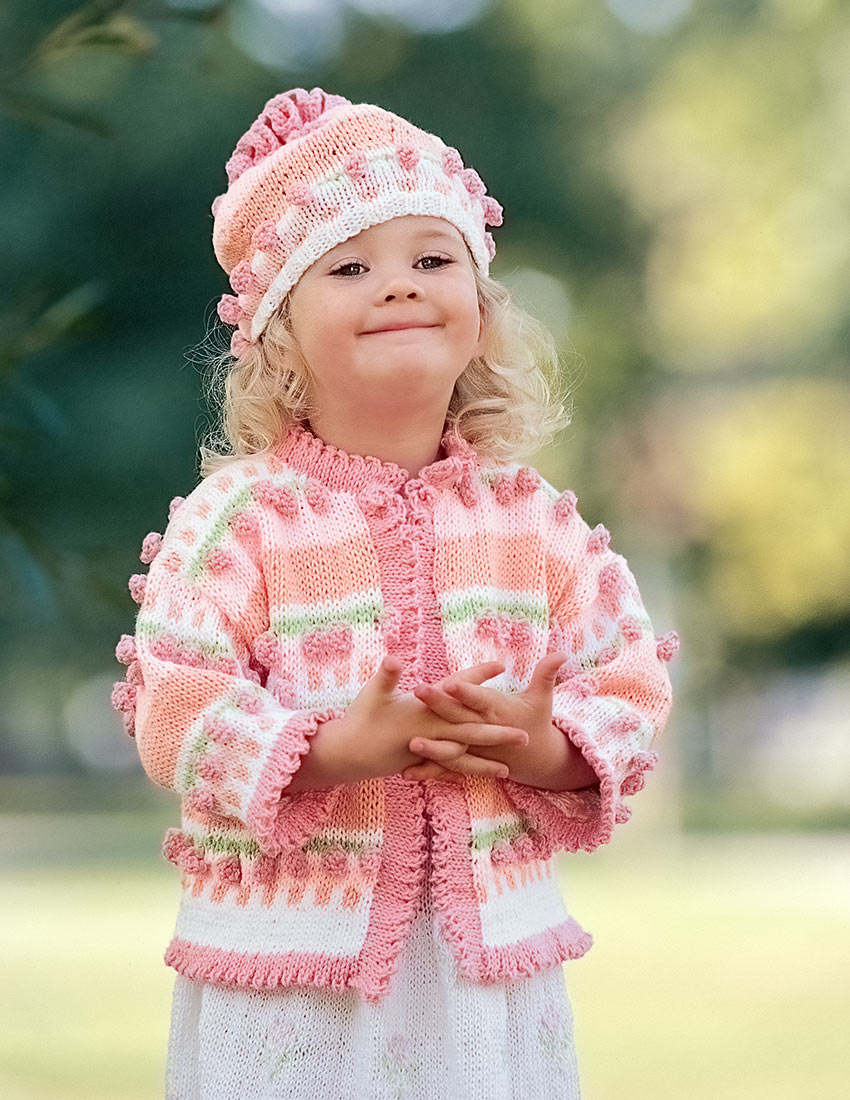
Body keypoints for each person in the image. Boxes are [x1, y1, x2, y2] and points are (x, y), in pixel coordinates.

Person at [112, 87, 677, 1100]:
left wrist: (542, 745)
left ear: (480, 311)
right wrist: (326, 751)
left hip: (487, 978)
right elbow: (173, 697)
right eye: (351, 265)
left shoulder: (534, 521)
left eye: (431, 258)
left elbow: (626, 676)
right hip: (291, 977)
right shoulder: (237, 521)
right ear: (278, 327)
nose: (399, 286)